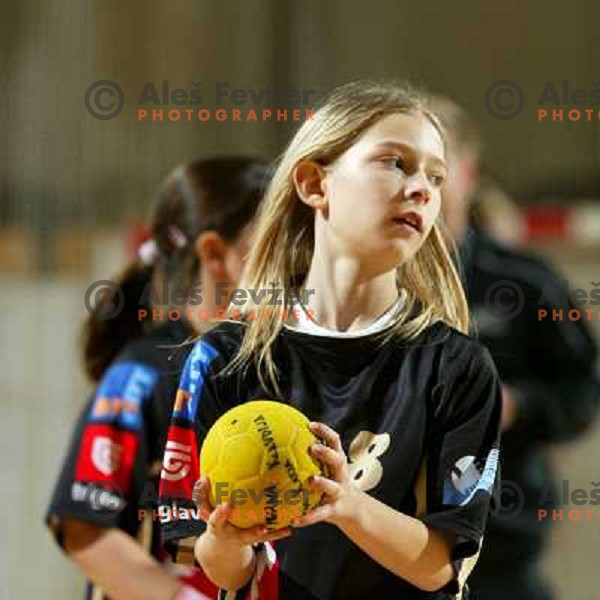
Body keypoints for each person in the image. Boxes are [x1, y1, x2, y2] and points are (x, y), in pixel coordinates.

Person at [158, 80, 502, 600]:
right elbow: (217, 568)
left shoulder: (456, 366)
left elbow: (439, 566)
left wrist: (346, 504)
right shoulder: (225, 355)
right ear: (314, 183)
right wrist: (226, 538)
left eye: (436, 176)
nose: (423, 189)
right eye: (395, 162)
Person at [46, 156, 269, 600]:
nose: (298, 254)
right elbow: (85, 529)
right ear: (214, 254)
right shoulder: (143, 373)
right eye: (273, 237)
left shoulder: (277, 366)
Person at [431, 96, 600, 600]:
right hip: (379, 546)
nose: (417, 185)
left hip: (501, 546)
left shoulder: (525, 282)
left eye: (435, 165)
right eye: (397, 164)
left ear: (467, 169)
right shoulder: (361, 282)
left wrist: (515, 405)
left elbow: (582, 394)